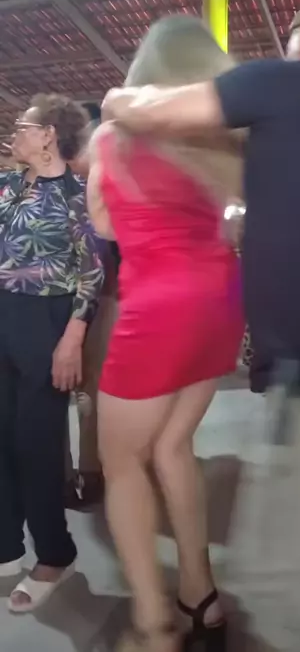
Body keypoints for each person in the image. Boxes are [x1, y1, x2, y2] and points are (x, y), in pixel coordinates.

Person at [103, 0, 300, 651]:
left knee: (278, 569)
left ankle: (155, 625)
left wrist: (114, 100)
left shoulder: (296, 85)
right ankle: (200, 595)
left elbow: (147, 116)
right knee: (296, 537)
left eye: (291, 43)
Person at [88, 17, 244, 652]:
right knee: (174, 446)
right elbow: (234, 220)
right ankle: (201, 596)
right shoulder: (218, 140)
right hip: (220, 301)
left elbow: (105, 224)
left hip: (157, 308)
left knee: (121, 462)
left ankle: (153, 626)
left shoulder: (112, 136)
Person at [0, 94, 104, 612]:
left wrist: (72, 337)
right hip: (2, 311)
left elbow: (92, 272)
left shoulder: (78, 195)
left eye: (23, 126)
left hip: (47, 319)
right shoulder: (5, 185)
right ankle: (5, 545)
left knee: (36, 443)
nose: (13, 132)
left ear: (48, 136)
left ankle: (55, 554)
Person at [66, 101, 118, 507]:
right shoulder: (63, 184)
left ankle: (90, 470)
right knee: (82, 389)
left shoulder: (107, 179)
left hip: (107, 293)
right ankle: (78, 472)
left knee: (93, 388)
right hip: (80, 294)